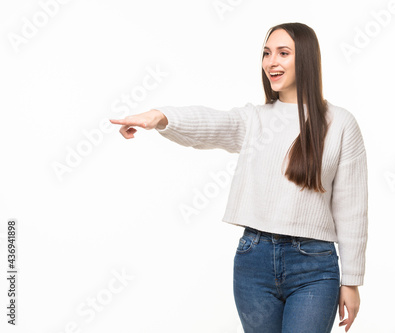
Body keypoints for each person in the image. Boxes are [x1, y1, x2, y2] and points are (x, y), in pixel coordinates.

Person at [110, 22, 368, 333]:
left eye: (283, 53)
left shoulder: (340, 124)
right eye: (266, 53)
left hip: (314, 266)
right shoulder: (254, 120)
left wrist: (351, 281)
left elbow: (352, 208)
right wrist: (160, 117)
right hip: (254, 262)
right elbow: (211, 123)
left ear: (307, 59)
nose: (271, 62)